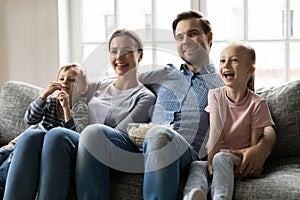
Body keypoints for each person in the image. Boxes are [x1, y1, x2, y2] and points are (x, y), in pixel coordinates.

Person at [77, 10, 276, 200]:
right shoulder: (164, 73)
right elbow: (121, 78)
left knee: (158, 135)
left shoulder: (226, 79)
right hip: (140, 146)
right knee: (92, 134)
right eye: (179, 37)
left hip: (185, 153)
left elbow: (261, 118)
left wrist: (263, 147)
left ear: (209, 37)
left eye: (193, 33)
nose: (185, 41)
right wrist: (76, 86)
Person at [74, 28, 156, 199]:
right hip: (82, 139)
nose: (119, 56)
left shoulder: (145, 97)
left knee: (93, 132)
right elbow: (67, 106)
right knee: (53, 135)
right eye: (114, 51)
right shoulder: (99, 85)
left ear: (139, 55)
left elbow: (120, 134)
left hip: (115, 148)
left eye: (126, 51)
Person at [2, 63, 89, 200]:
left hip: (53, 153)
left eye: (72, 80)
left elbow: (76, 135)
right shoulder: (50, 102)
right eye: (61, 79)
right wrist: (43, 96)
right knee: (12, 149)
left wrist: (66, 109)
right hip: (35, 147)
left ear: (84, 89)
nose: (65, 82)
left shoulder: (80, 107)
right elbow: (30, 119)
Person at [203, 41, 274, 199]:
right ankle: (194, 195)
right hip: (220, 158)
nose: (226, 65)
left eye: (234, 60)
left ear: (250, 70)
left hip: (242, 160)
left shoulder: (258, 104)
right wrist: (209, 163)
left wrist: (243, 167)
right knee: (197, 166)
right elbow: (216, 130)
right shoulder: (215, 95)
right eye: (222, 60)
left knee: (220, 158)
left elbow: (253, 147)